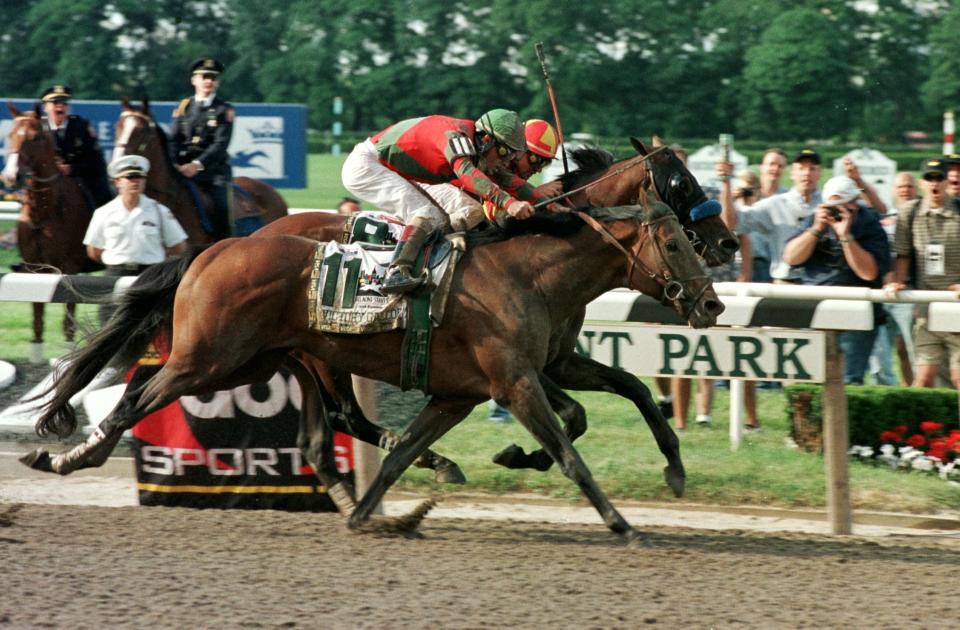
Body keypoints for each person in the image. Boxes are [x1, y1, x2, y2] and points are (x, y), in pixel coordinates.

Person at [340, 108, 537, 294]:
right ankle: (396, 272)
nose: (507, 160)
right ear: (486, 139)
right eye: (505, 152)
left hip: (393, 169)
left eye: (513, 155)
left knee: (457, 215)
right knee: (426, 213)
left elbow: (508, 180)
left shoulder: (475, 143)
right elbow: (467, 173)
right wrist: (509, 203)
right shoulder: (455, 136)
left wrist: (553, 204)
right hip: (367, 165)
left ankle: (431, 260)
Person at [783, 175, 890, 384]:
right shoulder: (815, 219)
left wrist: (846, 236)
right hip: (815, 310)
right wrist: (815, 229)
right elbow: (790, 257)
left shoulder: (870, 224)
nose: (836, 212)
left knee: (848, 380)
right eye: (832, 206)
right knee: (809, 379)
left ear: (855, 205)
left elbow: (869, 273)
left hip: (856, 313)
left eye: (842, 206)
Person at [83, 155, 188, 325]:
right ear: (118, 182)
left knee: (152, 330)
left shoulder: (159, 211)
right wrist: (117, 261)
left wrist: (159, 267)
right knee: (110, 328)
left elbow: (179, 247)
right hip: (115, 277)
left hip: (150, 276)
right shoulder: (103, 213)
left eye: (139, 177)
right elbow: (94, 250)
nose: (135, 181)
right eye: (130, 177)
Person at [887, 158, 960, 390]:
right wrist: (898, 281)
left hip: (957, 305)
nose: (935, 184)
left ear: (947, 181)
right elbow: (902, 253)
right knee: (924, 377)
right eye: (930, 178)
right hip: (927, 309)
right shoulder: (910, 212)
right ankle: (915, 426)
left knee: (958, 378)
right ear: (921, 182)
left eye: (939, 178)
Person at [724, 148, 824, 285]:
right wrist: (726, 182)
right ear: (792, 173)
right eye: (801, 168)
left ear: (820, 173)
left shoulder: (828, 203)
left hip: (821, 281)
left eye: (812, 169)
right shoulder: (775, 204)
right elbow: (731, 223)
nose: (807, 173)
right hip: (785, 281)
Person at [169, 57, 234, 241]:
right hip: (182, 169)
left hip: (213, 172)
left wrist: (196, 165)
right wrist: (174, 163)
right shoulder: (184, 107)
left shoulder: (224, 110)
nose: (209, 81)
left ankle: (223, 245)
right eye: (204, 76)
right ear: (194, 80)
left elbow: (220, 144)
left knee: (222, 206)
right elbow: (174, 139)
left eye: (213, 78)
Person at [869, 171, 919, 385]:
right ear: (893, 190)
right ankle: (887, 394)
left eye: (909, 186)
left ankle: (921, 394)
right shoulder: (885, 218)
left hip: (911, 291)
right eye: (900, 186)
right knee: (880, 356)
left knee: (916, 353)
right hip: (883, 292)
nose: (905, 190)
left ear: (916, 190)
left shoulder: (923, 218)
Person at [39, 84, 112, 208]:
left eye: (64, 102)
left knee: (100, 198)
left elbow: (96, 161)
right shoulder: (38, 129)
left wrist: (72, 168)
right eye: (55, 102)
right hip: (47, 182)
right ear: (45, 107)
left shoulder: (81, 127)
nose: (60, 105)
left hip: (79, 180)